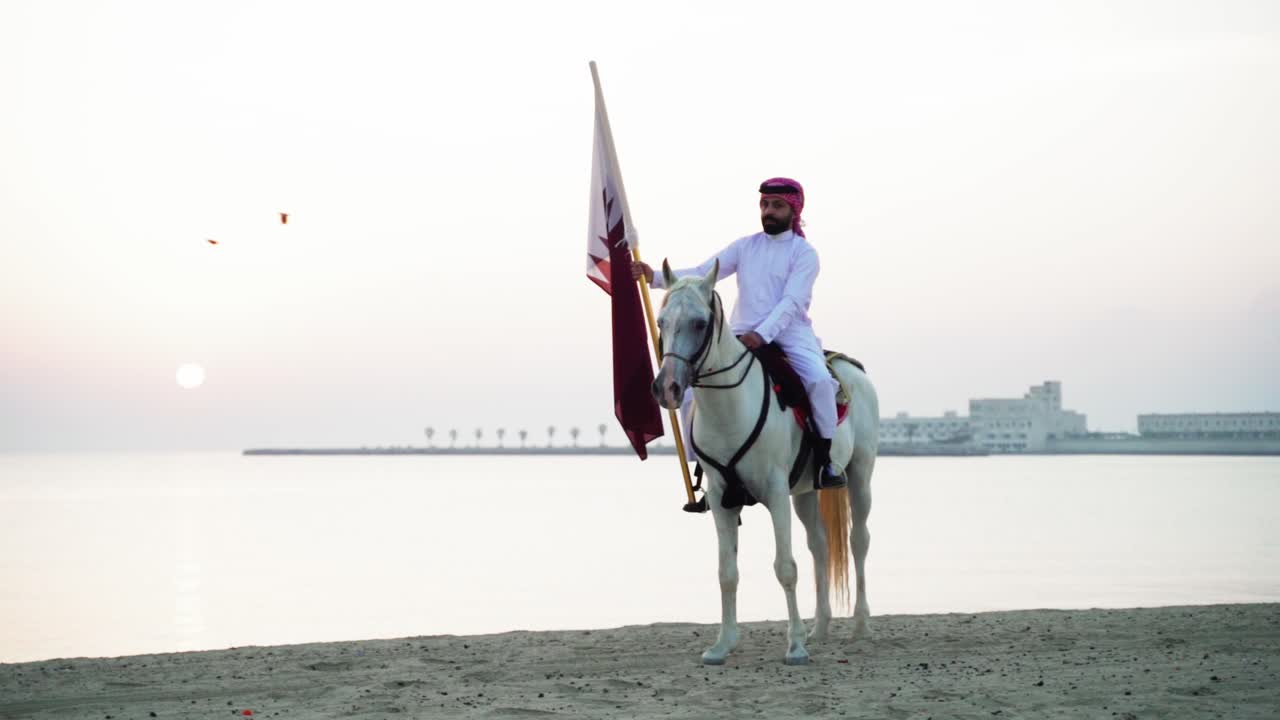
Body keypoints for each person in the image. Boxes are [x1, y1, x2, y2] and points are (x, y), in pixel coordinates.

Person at [631, 177, 846, 489]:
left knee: (819, 382)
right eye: (764, 204)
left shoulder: (804, 254)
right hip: (740, 331)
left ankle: (826, 462)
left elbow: (792, 302)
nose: (768, 211)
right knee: (691, 388)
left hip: (791, 333)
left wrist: (762, 335)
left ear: (793, 210)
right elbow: (702, 273)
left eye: (777, 205)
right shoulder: (745, 247)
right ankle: (707, 471)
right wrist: (656, 278)